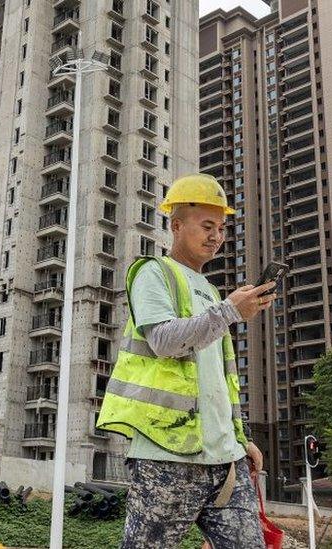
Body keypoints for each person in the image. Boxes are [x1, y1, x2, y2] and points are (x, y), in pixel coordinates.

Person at [96, 174, 277, 549]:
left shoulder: (210, 290)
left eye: (221, 228)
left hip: (226, 463)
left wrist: (241, 440)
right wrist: (229, 311)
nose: (216, 236)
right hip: (167, 457)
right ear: (177, 225)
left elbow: (219, 381)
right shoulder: (153, 273)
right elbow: (163, 341)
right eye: (206, 226)